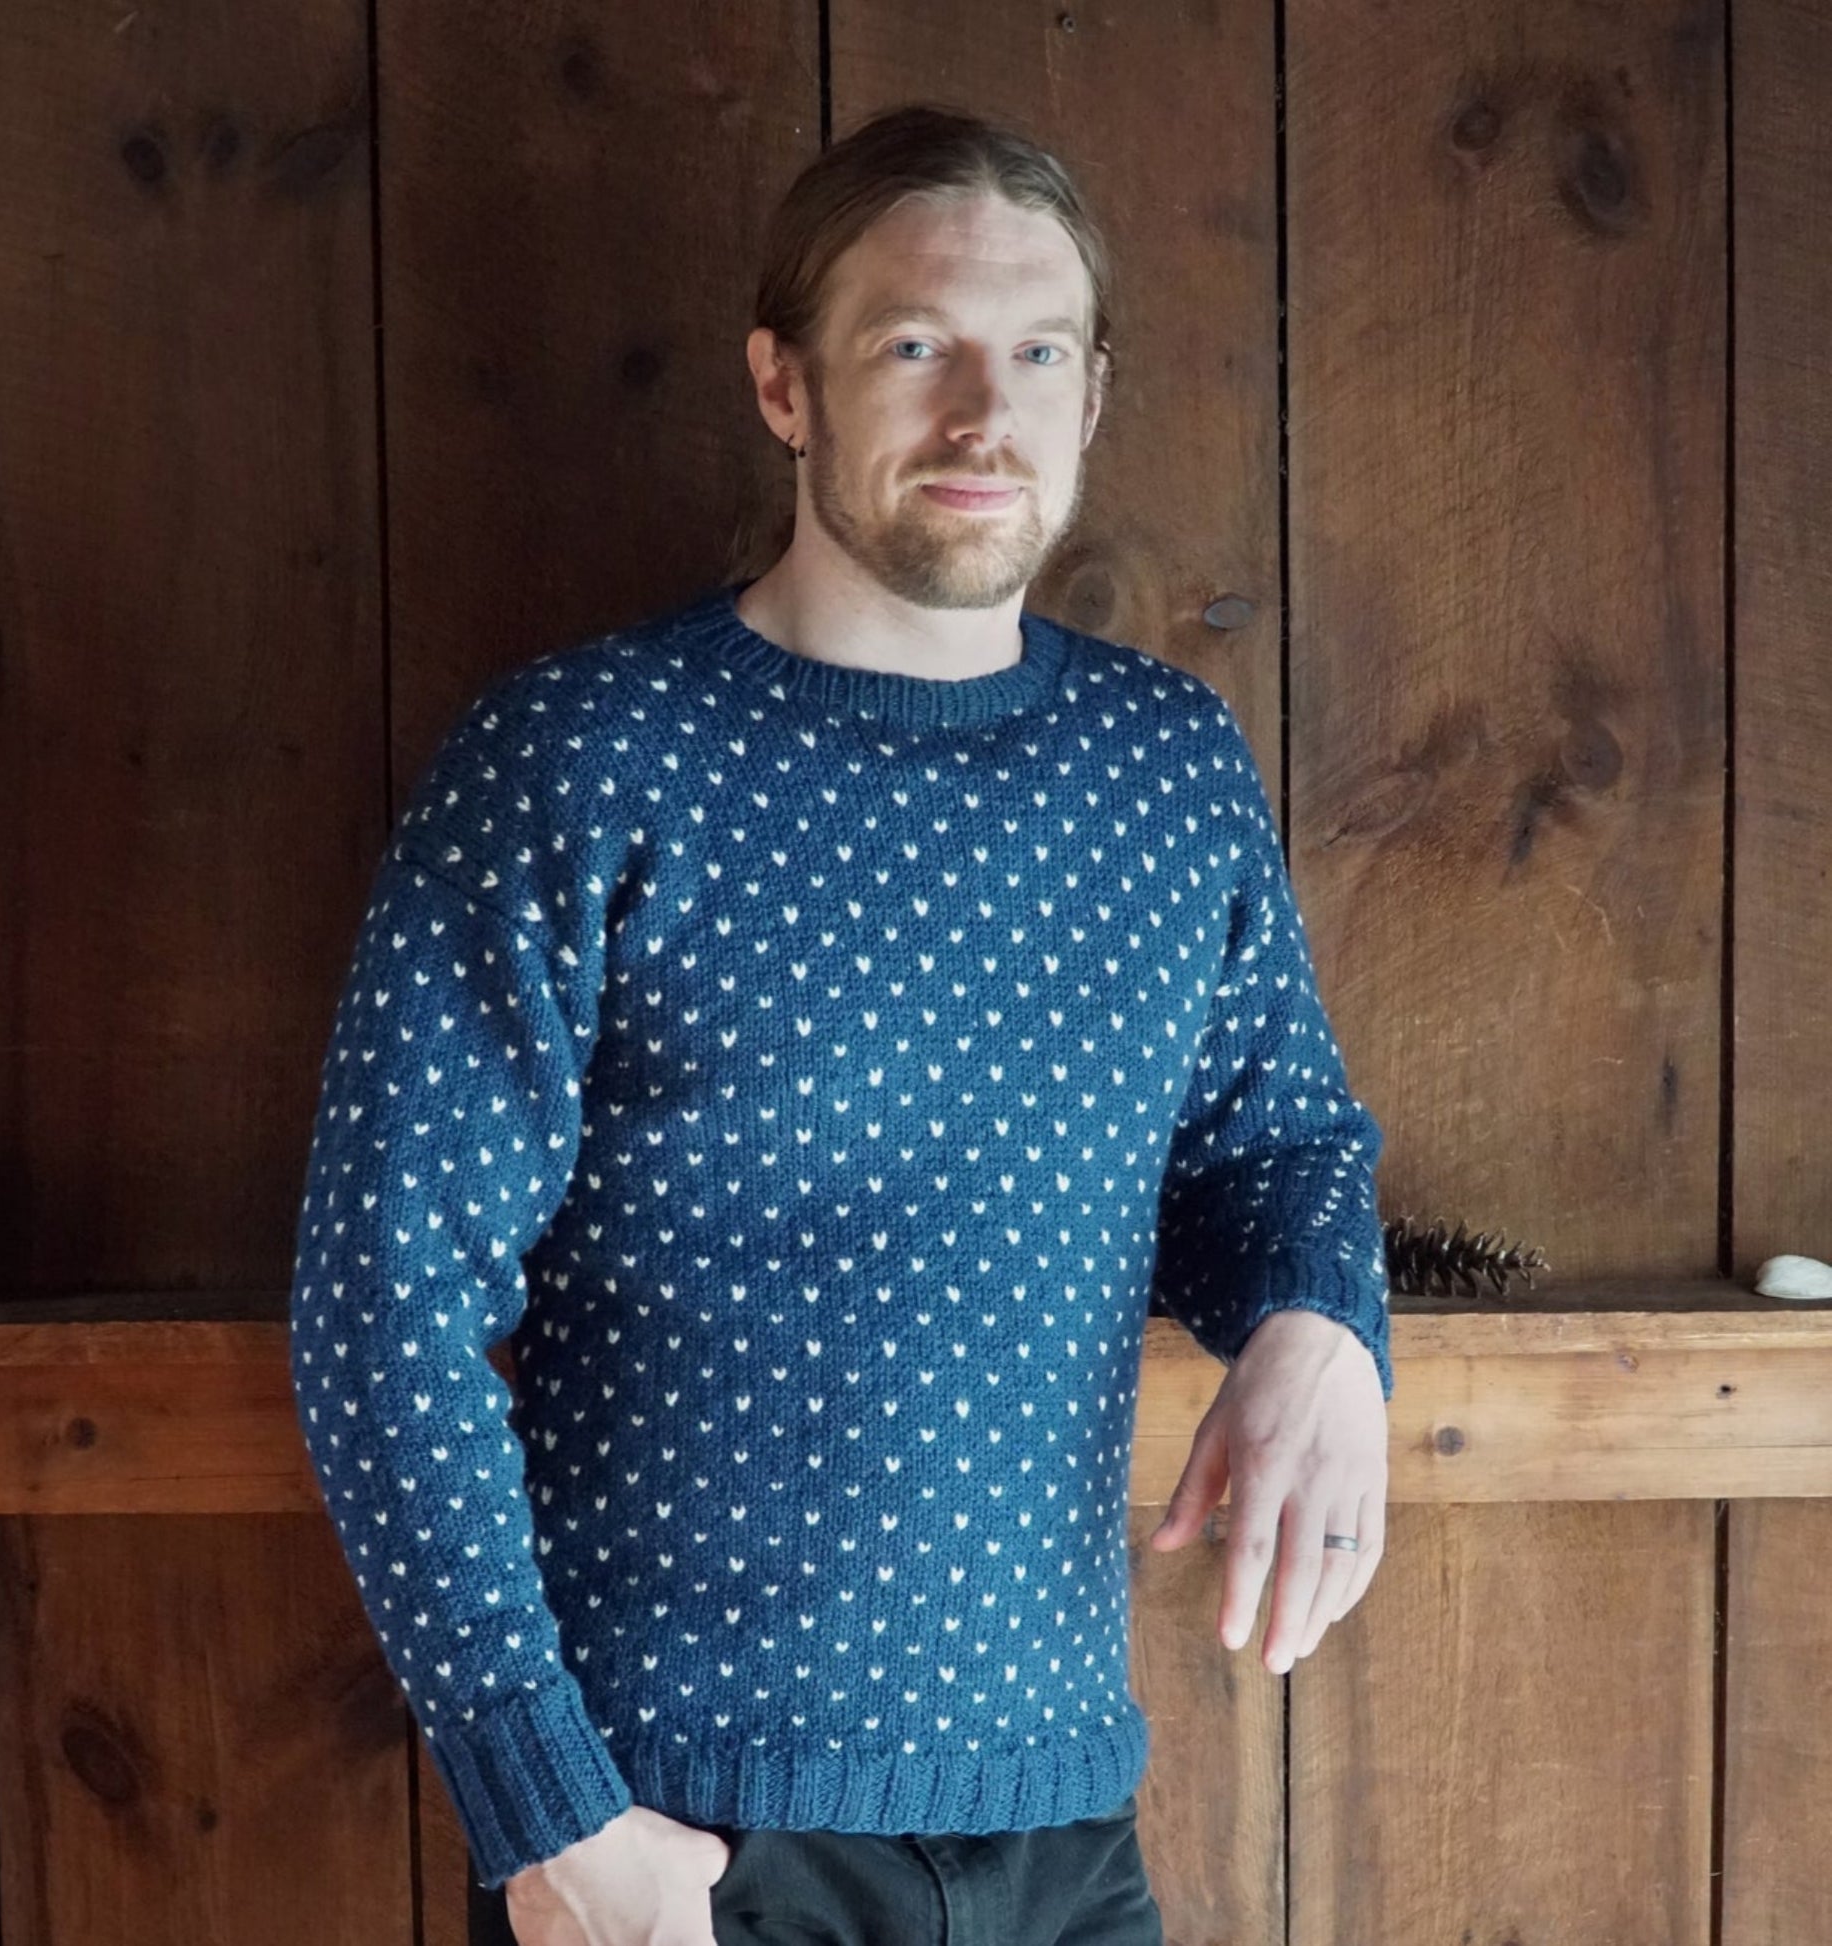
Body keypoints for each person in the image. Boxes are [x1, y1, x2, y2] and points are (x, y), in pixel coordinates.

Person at [289, 100, 1393, 1946]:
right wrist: (551, 1815)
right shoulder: (583, 759)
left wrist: (1319, 1319)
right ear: (782, 385)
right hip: (682, 1840)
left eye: (1036, 351)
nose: (983, 411)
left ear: (1093, 395)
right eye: (912, 345)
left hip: (1062, 1828)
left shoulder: (1164, 767)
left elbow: (1270, 1145)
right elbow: (380, 1303)